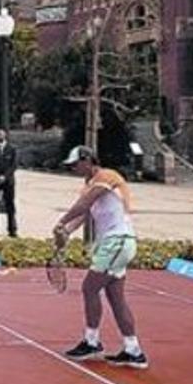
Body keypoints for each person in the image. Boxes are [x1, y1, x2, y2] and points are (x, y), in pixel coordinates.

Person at [55, 145, 148, 369]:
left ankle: (92, 342)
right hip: (114, 243)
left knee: (89, 288)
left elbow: (84, 205)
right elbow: (86, 214)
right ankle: (133, 350)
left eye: (75, 164)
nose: (73, 169)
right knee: (116, 297)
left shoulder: (107, 176)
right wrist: (67, 231)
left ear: (88, 160)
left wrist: (60, 222)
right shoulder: (88, 185)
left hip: (118, 240)